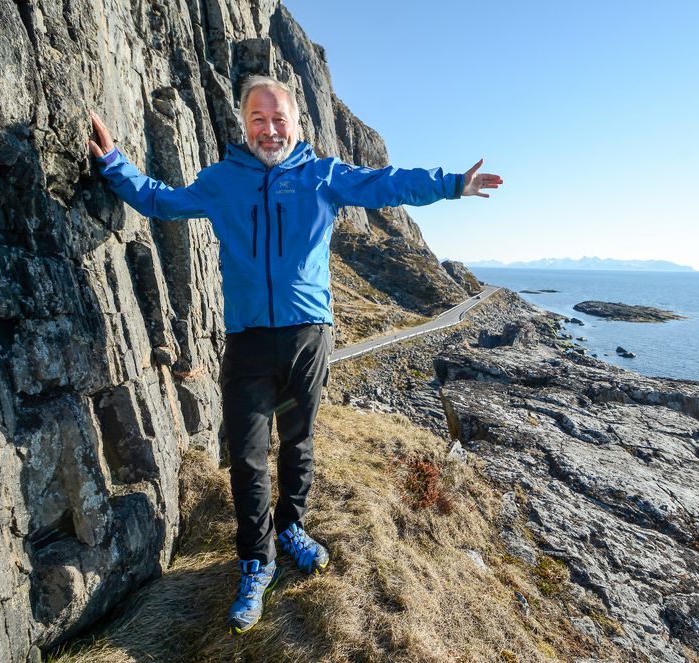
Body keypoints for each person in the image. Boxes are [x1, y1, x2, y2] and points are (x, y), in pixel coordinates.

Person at [88, 75, 502, 633]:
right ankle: (256, 563)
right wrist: (113, 163)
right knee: (249, 456)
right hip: (249, 341)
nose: (269, 128)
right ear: (244, 125)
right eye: (258, 118)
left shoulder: (320, 175)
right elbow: (162, 201)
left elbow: (386, 185)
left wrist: (451, 184)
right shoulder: (221, 181)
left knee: (299, 442)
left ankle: (291, 529)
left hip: (309, 336)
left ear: (297, 124)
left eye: (279, 118)